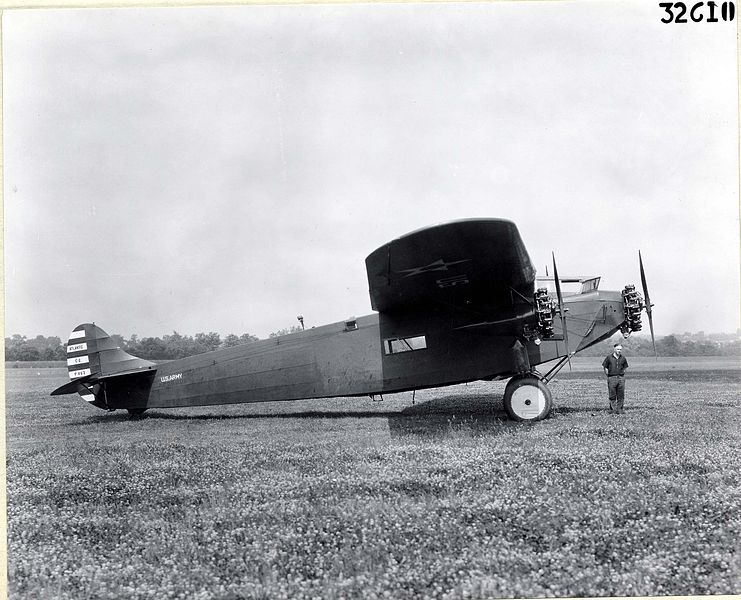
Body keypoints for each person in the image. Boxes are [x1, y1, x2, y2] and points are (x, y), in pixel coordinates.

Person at [602, 343, 629, 414]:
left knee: (621, 394)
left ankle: (620, 409)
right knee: (612, 394)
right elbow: (605, 367)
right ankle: (613, 409)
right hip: (611, 377)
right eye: (618, 349)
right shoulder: (609, 358)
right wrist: (609, 376)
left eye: (620, 349)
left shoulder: (623, 358)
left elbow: (625, 367)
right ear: (614, 349)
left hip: (621, 378)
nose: (619, 351)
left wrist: (622, 375)